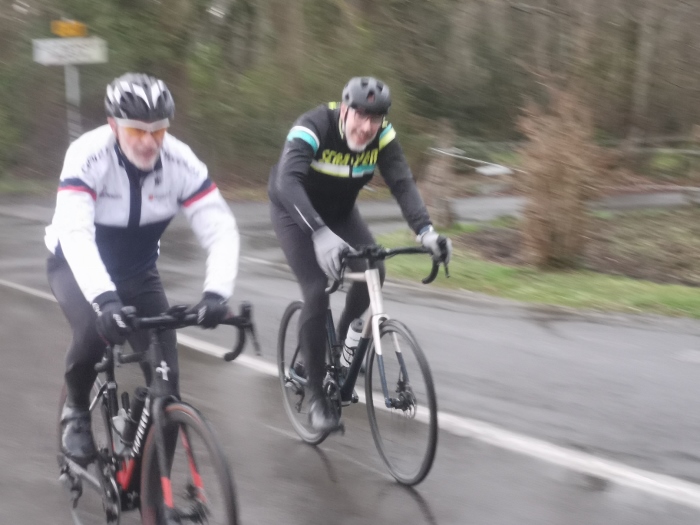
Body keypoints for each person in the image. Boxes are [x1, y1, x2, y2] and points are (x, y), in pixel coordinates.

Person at [46, 73, 240, 466]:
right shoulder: (87, 155)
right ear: (113, 125)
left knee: (167, 384)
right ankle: (76, 409)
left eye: (158, 130)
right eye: (136, 130)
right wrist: (105, 300)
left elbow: (220, 228)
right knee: (92, 331)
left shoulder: (181, 162)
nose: (149, 142)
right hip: (75, 265)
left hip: (137, 272)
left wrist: (216, 294)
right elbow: (76, 234)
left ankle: (149, 485)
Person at [268, 76, 452, 432]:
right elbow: (287, 182)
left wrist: (426, 231)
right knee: (316, 290)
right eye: (361, 116)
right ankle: (316, 395)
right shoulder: (313, 126)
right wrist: (318, 233)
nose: (367, 127)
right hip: (295, 212)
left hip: (340, 213)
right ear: (345, 110)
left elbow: (402, 182)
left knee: (374, 270)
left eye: (376, 118)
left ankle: (338, 348)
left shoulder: (382, 136)